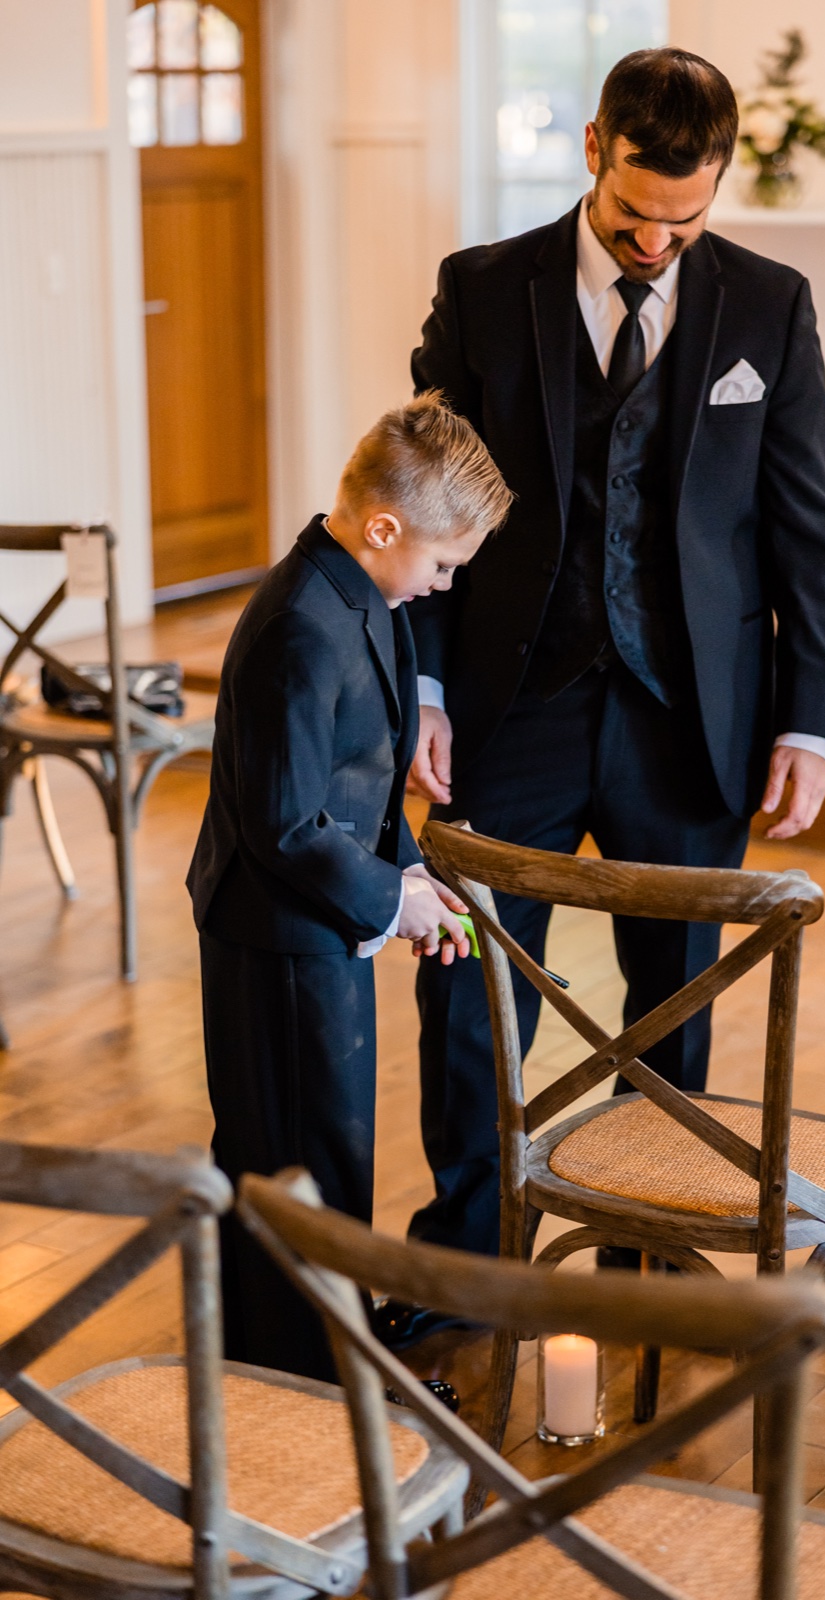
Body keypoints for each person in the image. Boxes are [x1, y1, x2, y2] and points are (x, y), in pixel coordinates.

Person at [378, 47, 825, 1345]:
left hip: (691, 715)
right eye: (637, 215)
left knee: (675, 993)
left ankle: (652, 1242)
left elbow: (803, 528)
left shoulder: (768, 305)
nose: (655, 244)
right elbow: (422, 502)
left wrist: (805, 715)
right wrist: (417, 681)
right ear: (594, 150)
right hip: (509, 705)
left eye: (683, 223)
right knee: (471, 986)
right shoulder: (484, 291)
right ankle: (465, 1259)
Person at [187, 393, 513, 1380]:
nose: (443, 585)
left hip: (316, 924)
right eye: (444, 563)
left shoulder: (360, 593)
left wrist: (407, 865)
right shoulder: (299, 624)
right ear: (385, 526)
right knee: (296, 1164)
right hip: (275, 936)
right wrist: (390, 899)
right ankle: (298, 1386)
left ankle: (315, 1360)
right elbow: (282, 822)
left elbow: (356, 779)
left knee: (328, 1150)